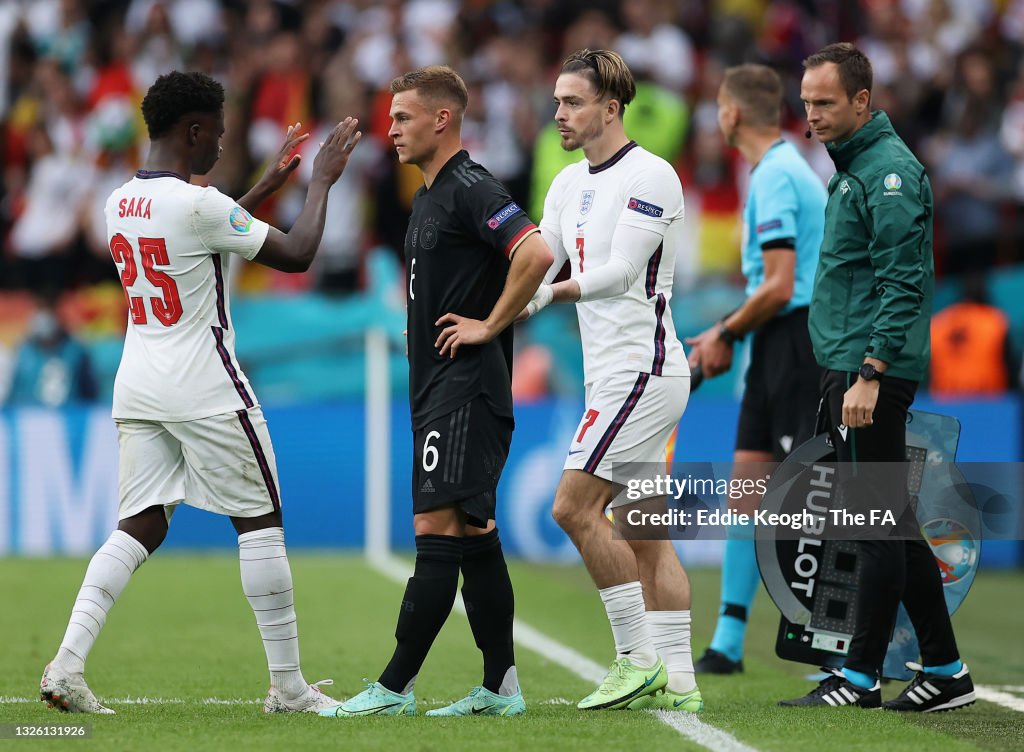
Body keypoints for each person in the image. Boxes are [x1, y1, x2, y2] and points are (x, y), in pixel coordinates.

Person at [39, 71, 362, 715]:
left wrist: (261, 191)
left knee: (140, 525)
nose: (220, 144)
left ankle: (66, 665)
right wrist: (321, 180)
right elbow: (297, 254)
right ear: (192, 131)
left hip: (138, 383)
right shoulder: (201, 203)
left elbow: (193, 233)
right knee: (260, 523)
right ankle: (289, 687)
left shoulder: (118, 201)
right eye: (215, 132)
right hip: (206, 385)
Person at [320, 66, 552, 719]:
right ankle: (501, 687)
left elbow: (534, 252)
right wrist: (417, 328)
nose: (390, 129)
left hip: (466, 387)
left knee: (435, 525)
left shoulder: (472, 188)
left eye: (402, 117)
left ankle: (393, 688)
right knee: (475, 528)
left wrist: (489, 325)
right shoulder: (428, 196)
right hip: (438, 385)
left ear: (441, 119)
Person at [780, 43, 974, 712]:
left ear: (863, 101)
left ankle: (858, 678)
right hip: (854, 365)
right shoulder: (857, 167)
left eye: (826, 102)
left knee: (874, 523)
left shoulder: (887, 173)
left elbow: (902, 280)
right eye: (806, 102)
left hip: (869, 372)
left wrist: (870, 371)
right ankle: (945, 670)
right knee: (890, 521)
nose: (813, 115)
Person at [523, 49, 702, 713]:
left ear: (611, 107)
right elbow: (540, 259)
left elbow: (624, 272)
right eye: (557, 102)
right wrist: (500, 303)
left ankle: (637, 661)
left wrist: (548, 297)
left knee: (571, 508)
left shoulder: (653, 175)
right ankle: (679, 683)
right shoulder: (568, 183)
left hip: (644, 371)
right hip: (614, 376)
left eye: (572, 102)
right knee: (644, 530)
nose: (560, 114)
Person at [686, 64, 825, 675]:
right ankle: (729, 641)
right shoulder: (778, 170)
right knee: (748, 490)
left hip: (799, 341)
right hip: (774, 343)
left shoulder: (776, 176)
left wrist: (724, 330)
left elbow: (780, 284)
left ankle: (832, 652)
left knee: (807, 502)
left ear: (732, 114)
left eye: (718, 108)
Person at [7, 294, 98, 407]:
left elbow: (89, 391)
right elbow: (14, 390)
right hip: (29, 418)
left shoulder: (76, 350)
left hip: (69, 418)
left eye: (48, 313)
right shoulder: (24, 351)